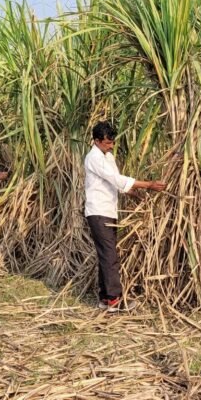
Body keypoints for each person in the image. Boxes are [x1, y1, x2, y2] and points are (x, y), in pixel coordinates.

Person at [84, 121, 167, 312]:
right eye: (107, 142)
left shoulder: (108, 157)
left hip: (108, 211)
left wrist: (134, 194)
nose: (111, 145)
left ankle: (105, 299)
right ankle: (114, 300)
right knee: (110, 255)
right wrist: (148, 185)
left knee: (107, 255)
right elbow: (115, 179)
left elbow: (116, 181)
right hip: (98, 211)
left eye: (112, 142)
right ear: (96, 141)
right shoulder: (93, 158)